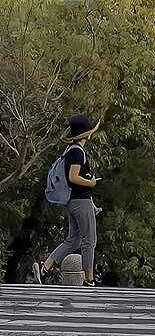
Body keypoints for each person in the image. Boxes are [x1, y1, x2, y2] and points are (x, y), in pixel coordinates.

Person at [33, 114, 101, 287]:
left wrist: (91, 201)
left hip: (74, 201)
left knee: (74, 240)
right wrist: (92, 182)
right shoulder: (78, 152)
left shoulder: (70, 150)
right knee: (89, 241)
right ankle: (89, 279)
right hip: (79, 201)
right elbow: (74, 177)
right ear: (86, 134)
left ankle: (44, 267)